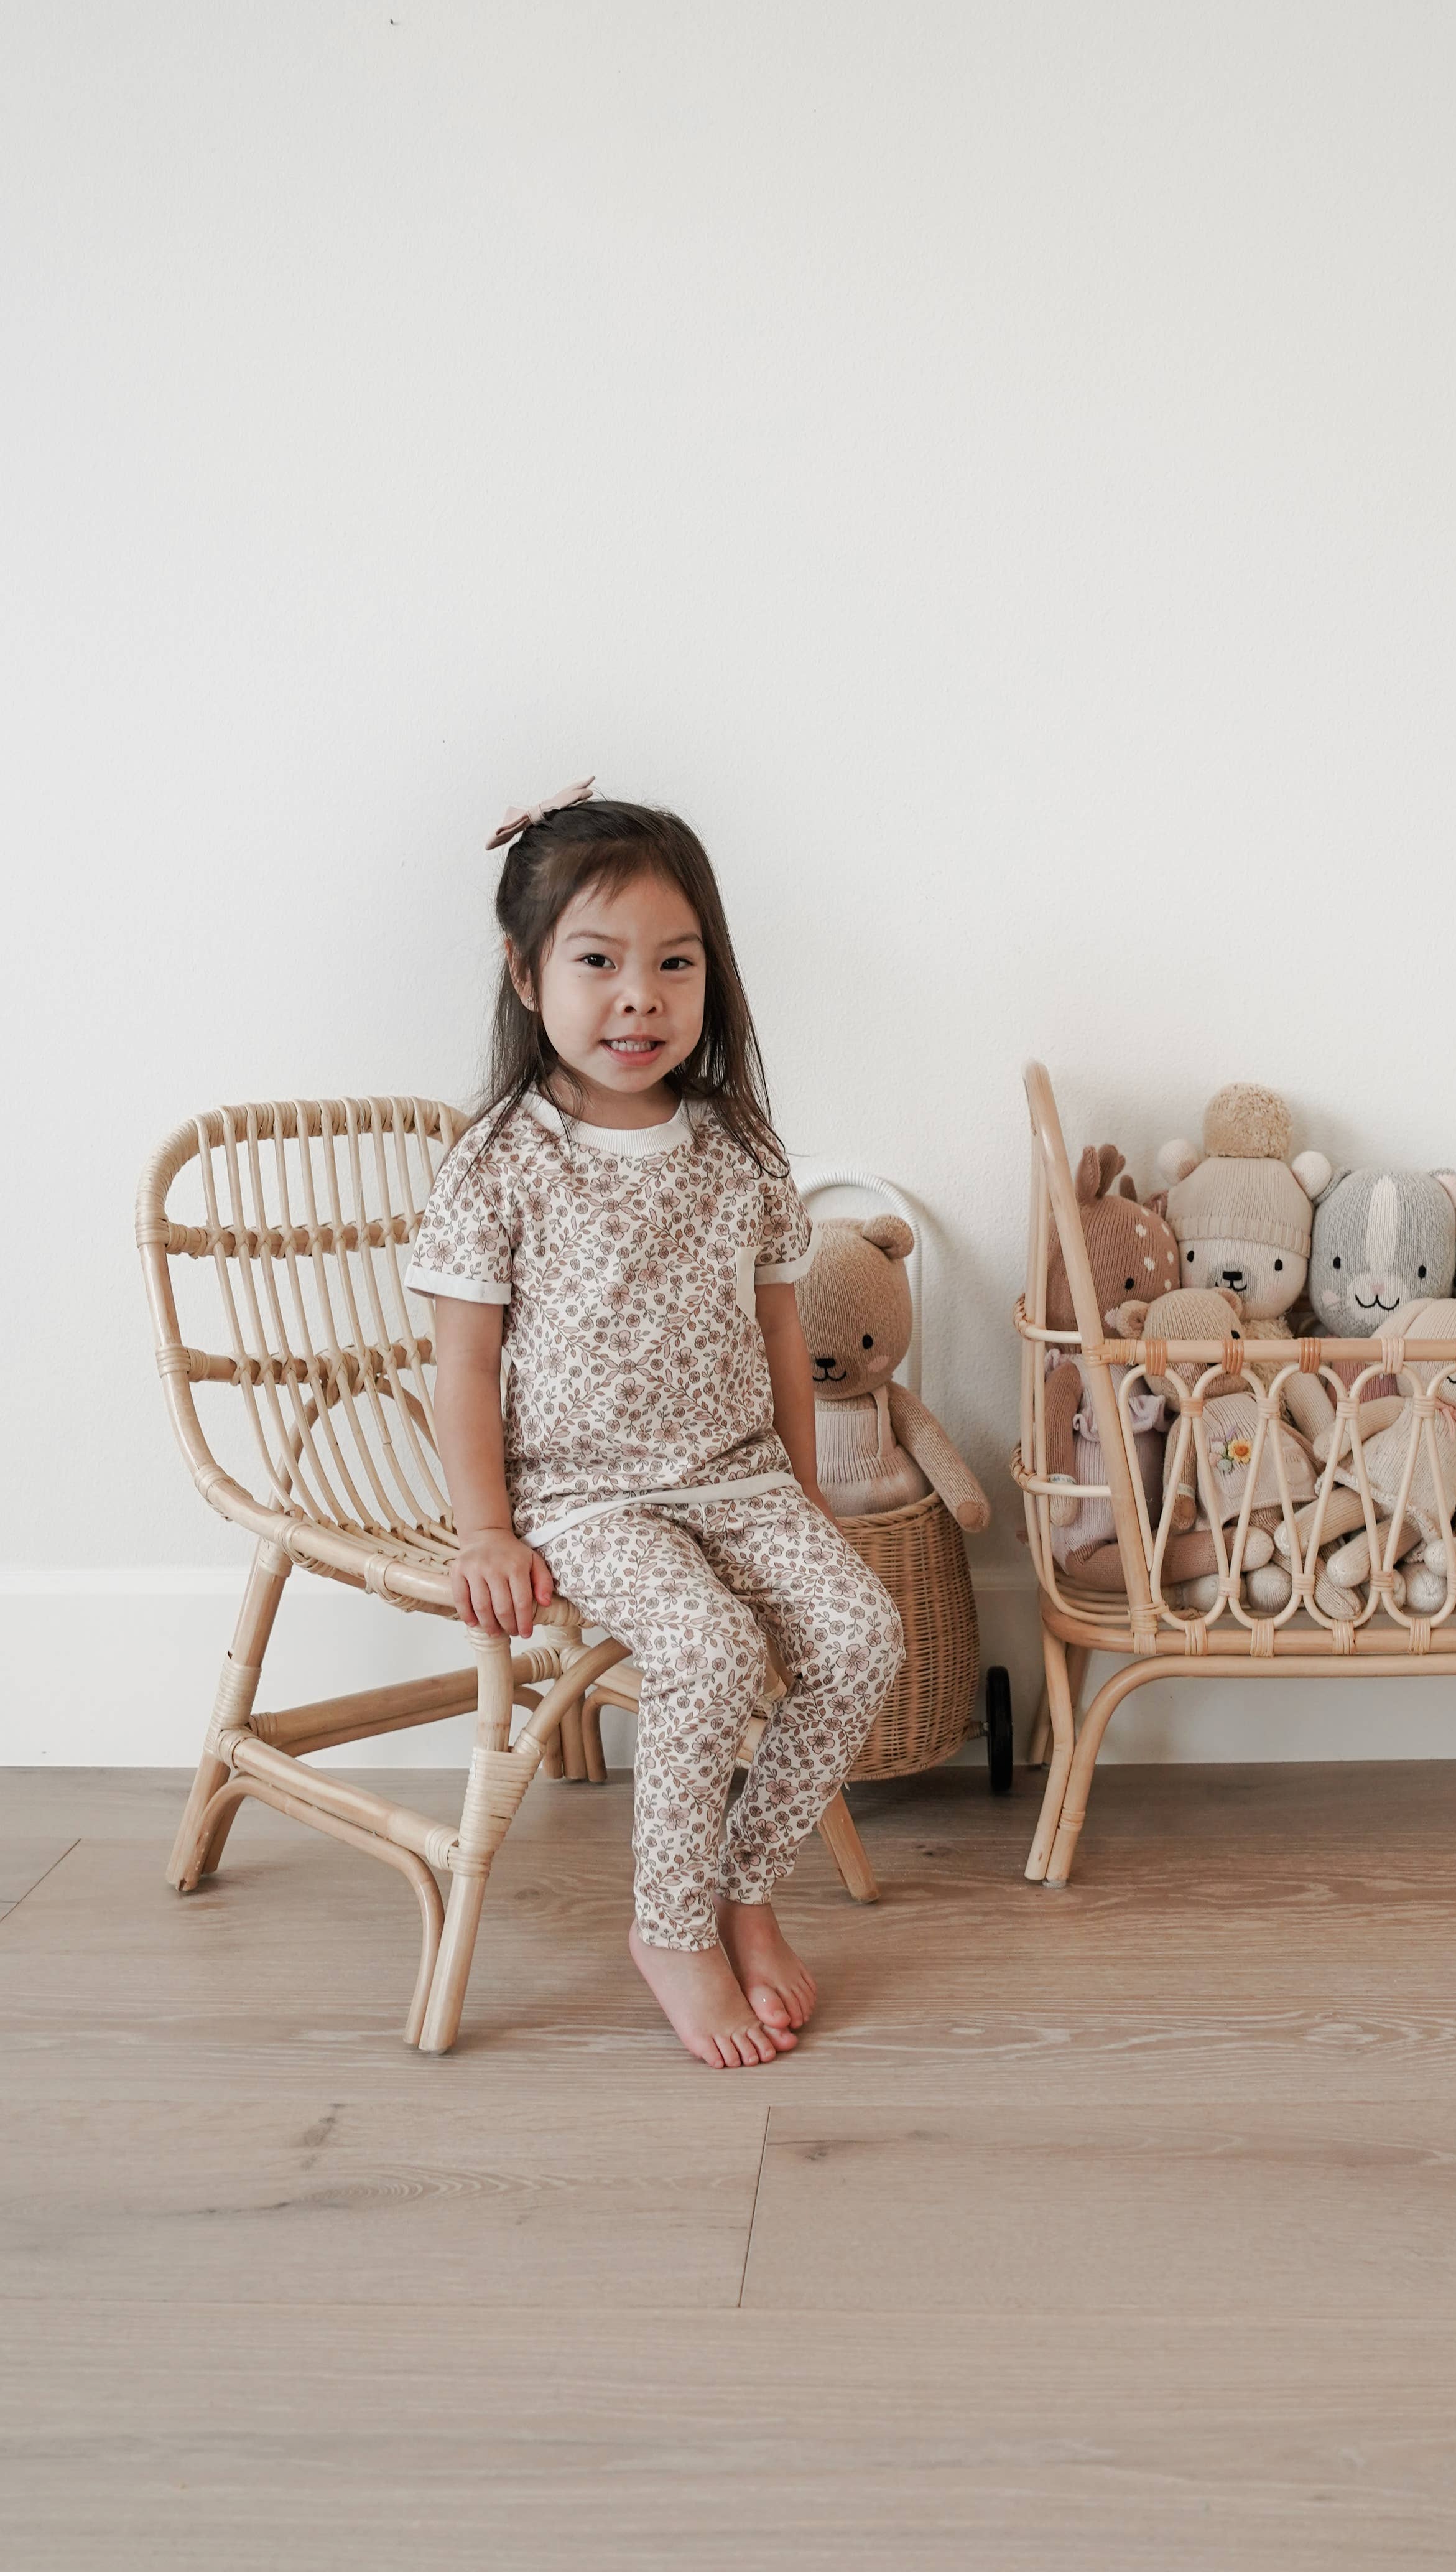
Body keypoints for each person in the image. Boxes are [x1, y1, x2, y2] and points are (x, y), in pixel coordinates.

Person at [408, 785, 904, 2068]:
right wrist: (485, 1528)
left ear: (711, 977)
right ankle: (671, 1926)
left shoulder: (738, 1145)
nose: (641, 996)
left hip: (739, 1478)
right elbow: (462, 1362)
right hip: (586, 1497)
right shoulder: (504, 1158)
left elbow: (783, 1329)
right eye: (599, 961)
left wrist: (799, 1488)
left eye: (674, 963)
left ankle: (744, 1887)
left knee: (862, 1633)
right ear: (527, 976)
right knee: (711, 1650)